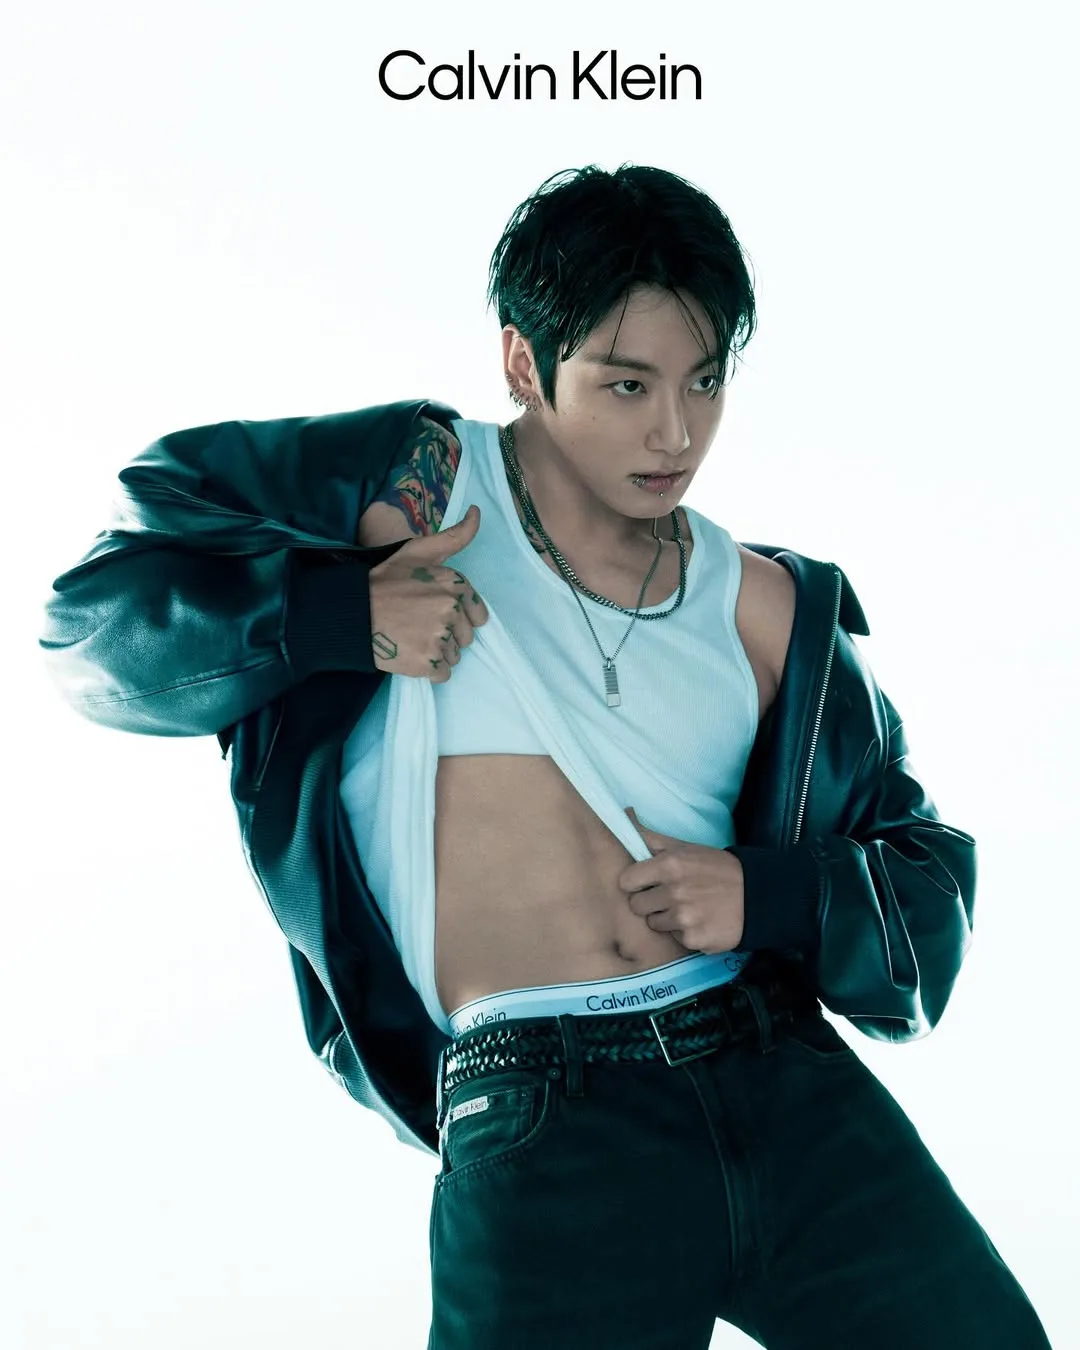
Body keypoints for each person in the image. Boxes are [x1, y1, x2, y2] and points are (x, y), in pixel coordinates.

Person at [39, 165, 1052, 1350]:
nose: (674, 434)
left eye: (704, 381)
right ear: (524, 365)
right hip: (541, 1113)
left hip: (782, 1079)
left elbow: (925, 878)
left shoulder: (768, 607)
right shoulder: (407, 494)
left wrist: (766, 893)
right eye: (626, 385)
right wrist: (339, 616)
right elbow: (89, 630)